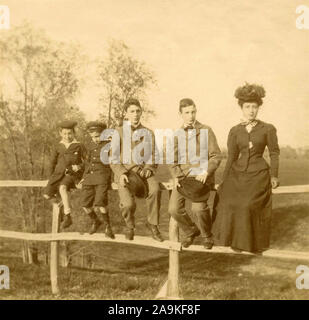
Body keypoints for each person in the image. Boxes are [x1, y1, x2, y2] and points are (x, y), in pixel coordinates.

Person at [212, 83, 280, 253]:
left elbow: (274, 153)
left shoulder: (268, 129)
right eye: (247, 107)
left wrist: (274, 176)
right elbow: (232, 158)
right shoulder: (235, 131)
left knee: (246, 205)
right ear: (241, 108)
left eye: (254, 107)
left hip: (258, 174)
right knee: (226, 202)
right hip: (237, 174)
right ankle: (226, 239)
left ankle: (249, 243)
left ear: (258, 108)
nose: (251, 110)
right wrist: (224, 180)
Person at [168, 98, 222, 249]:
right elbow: (172, 160)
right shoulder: (176, 134)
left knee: (198, 208)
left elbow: (216, 155)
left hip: (201, 177)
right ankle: (191, 230)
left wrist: (206, 171)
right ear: (180, 114)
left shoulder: (206, 130)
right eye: (187, 113)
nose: (191, 116)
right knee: (173, 209)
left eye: (193, 112)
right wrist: (177, 176)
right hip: (183, 179)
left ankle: (207, 235)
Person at [109, 98, 164, 242]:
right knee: (127, 204)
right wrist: (120, 173)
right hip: (125, 173)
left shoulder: (148, 132)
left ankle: (153, 225)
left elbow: (154, 154)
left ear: (141, 112)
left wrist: (149, 167)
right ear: (126, 114)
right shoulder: (119, 132)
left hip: (143, 173)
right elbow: (113, 158)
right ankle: (129, 225)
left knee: (155, 190)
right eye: (132, 111)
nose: (135, 114)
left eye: (138, 111)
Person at [43, 120, 85, 228]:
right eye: (65, 133)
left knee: (62, 188)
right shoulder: (58, 146)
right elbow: (52, 163)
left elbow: (87, 162)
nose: (67, 136)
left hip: (71, 175)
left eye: (70, 133)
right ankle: (61, 206)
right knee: (47, 194)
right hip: (57, 175)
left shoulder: (78, 145)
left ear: (74, 133)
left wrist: (79, 167)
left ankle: (68, 216)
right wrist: (50, 177)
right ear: (60, 134)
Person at [80, 121, 114, 237]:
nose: (95, 139)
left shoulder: (108, 145)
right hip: (89, 177)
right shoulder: (89, 145)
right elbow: (88, 163)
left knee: (100, 203)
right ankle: (96, 221)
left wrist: (113, 178)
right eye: (93, 137)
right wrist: (83, 177)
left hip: (102, 176)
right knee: (85, 205)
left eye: (98, 136)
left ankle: (108, 226)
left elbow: (113, 163)